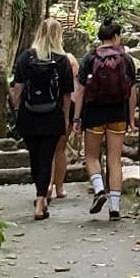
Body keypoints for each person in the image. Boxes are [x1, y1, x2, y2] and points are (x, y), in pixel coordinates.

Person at [10, 18, 74, 221]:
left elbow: (17, 88)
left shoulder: (25, 58)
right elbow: (66, 95)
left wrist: (17, 108)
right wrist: (65, 118)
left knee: (35, 158)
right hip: (52, 116)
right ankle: (40, 201)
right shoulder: (62, 60)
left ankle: (40, 195)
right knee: (47, 156)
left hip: (29, 115)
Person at [73, 19, 137, 221]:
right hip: (118, 114)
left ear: (100, 37)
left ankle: (99, 189)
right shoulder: (125, 59)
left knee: (91, 156)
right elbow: (131, 91)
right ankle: (115, 207)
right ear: (116, 37)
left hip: (94, 114)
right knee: (115, 158)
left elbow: (81, 90)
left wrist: (77, 118)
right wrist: (131, 117)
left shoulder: (90, 57)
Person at [43, 17, 80, 199]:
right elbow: (73, 89)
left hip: (40, 108)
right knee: (60, 149)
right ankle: (59, 187)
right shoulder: (69, 60)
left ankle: (46, 185)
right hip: (63, 108)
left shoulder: (33, 57)